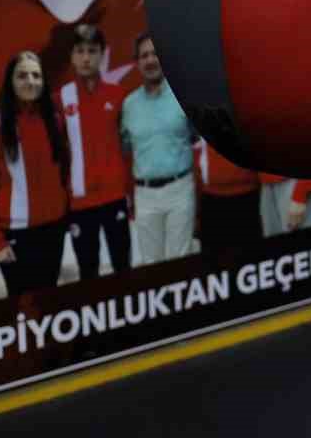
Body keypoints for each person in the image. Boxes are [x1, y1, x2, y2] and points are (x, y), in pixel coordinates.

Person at [0, 51, 71, 296]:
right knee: (24, 310)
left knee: (50, 302)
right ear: (11, 82)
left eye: (36, 75)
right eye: (22, 75)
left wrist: (64, 216)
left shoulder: (56, 121)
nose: (30, 81)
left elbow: (64, 173)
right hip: (16, 237)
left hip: (53, 231)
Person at [58, 23, 133, 280]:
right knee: (87, 273)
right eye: (80, 51)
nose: (86, 57)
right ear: (72, 56)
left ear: (102, 53)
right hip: (80, 202)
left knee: (123, 266)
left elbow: (129, 146)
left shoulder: (118, 94)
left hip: (115, 197)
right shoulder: (62, 98)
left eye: (92, 50)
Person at [120, 33, 198, 265]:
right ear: (137, 63)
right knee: (151, 265)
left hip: (180, 189)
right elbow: (125, 146)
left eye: (155, 54)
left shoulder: (182, 96)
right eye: (144, 55)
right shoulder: (129, 105)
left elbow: (195, 137)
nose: (150, 60)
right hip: (145, 195)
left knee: (180, 261)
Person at [195, 140, 264, 253]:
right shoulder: (201, 123)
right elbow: (196, 150)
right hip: (211, 198)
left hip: (247, 195)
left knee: (249, 254)